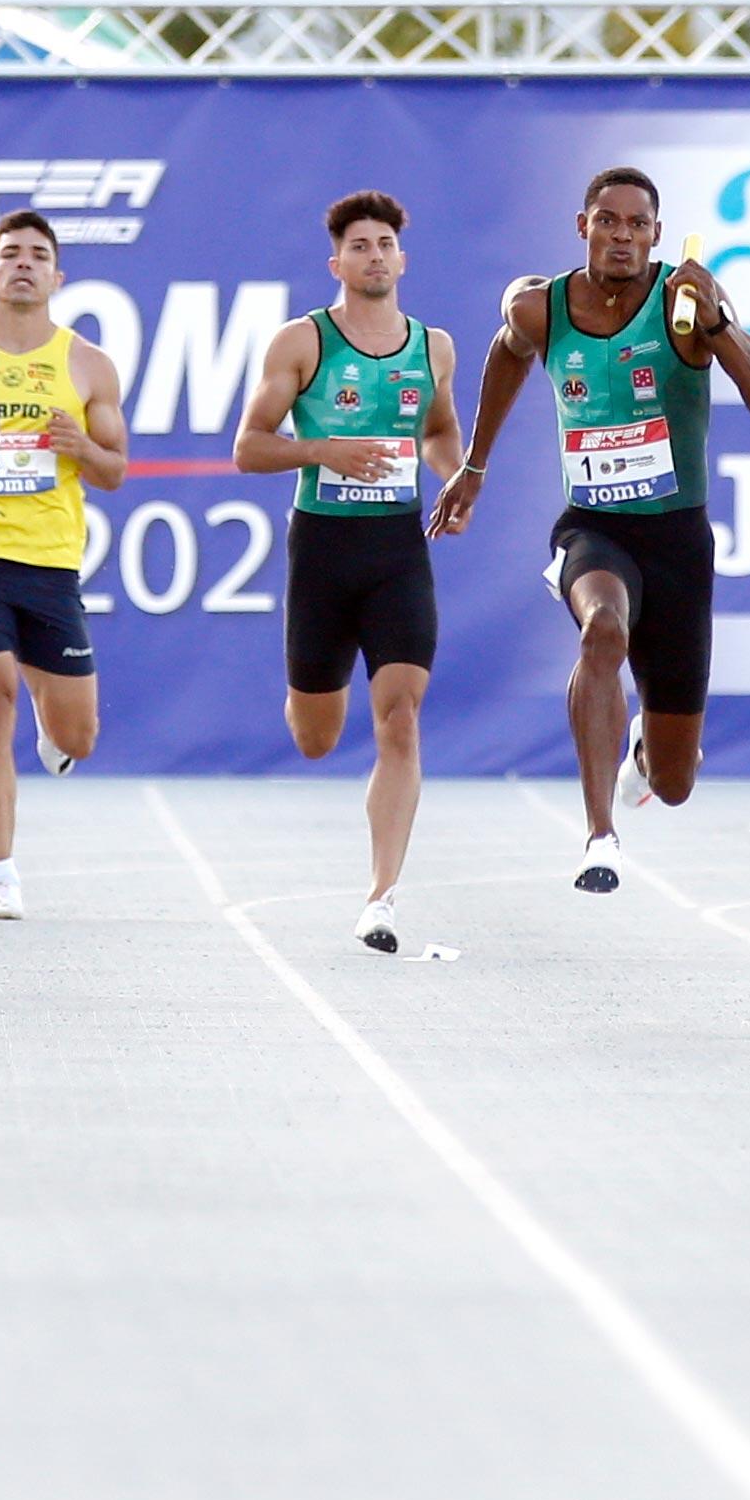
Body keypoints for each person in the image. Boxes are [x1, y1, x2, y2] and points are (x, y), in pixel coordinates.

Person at [436, 166, 750, 893]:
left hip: (677, 543)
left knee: (676, 777)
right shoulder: (543, 309)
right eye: (606, 221)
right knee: (601, 630)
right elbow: (508, 350)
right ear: (582, 227)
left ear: (655, 236)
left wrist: (717, 323)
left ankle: (641, 761)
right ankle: (600, 835)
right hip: (594, 531)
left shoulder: (682, 306)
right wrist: (474, 464)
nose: (620, 236)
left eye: (635, 225)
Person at [232, 189, 460, 955]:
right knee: (316, 736)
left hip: (397, 552)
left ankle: (381, 897)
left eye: (383, 244)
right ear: (337, 263)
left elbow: (438, 431)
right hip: (323, 553)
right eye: (357, 245)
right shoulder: (302, 343)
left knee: (399, 718)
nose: (372, 256)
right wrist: (321, 450)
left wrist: (454, 477)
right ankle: (305, 694)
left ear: (402, 258)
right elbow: (248, 447)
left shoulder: (432, 347)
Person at [0, 208, 125, 921]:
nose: (23, 263)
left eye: (36, 255)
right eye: (10, 253)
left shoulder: (86, 363)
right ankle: (0, 874)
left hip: (50, 563)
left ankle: (55, 732)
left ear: (56, 276)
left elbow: (114, 471)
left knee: (77, 734)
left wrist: (81, 447)